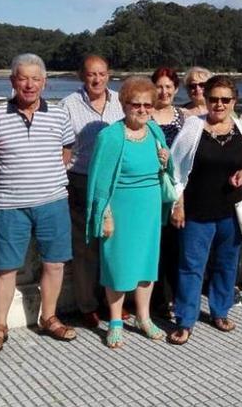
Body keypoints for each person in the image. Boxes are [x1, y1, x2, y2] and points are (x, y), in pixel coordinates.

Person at [0, 54, 76, 354]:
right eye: (23, 78)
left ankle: (49, 317)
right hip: (11, 204)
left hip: (53, 201)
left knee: (55, 263)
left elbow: (66, 150)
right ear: (12, 82)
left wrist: (45, 176)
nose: (29, 84)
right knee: (6, 268)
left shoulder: (59, 114)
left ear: (44, 82)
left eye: (36, 79)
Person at [167, 76, 242, 345]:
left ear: (234, 102)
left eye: (225, 99)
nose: (219, 104)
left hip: (232, 212)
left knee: (227, 265)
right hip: (197, 212)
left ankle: (220, 311)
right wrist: (178, 205)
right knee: (191, 267)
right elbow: (176, 170)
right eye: (214, 98)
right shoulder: (193, 128)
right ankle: (185, 320)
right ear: (206, 99)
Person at [86, 77, 173, 348]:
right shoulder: (110, 136)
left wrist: (165, 160)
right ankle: (114, 320)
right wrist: (105, 214)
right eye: (136, 104)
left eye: (148, 104)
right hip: (120, 210)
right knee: (117, 266)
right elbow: (99, 181)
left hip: (148, 208)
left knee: (147, 266)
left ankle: (143, 318)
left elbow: (165, 170)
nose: (143, 109)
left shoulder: (155, 132)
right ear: (124, 104)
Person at [60, 55, 124, 328]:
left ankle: (115, 303)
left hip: (116, 181)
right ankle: (88, 305)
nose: (96, 79)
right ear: (81, 76)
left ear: (108, 75)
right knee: (85, 247)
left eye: (101, 74)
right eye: (91, 74)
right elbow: (61, 149)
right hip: (82, 180)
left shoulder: (122, 101)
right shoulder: (68, 105)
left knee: (113, 244)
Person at [149, 67, 186, 315]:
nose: (164, 92)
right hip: (150, 187)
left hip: (177, 187)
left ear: (175, 89)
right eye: (159, 87)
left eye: (168, 87)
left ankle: (173, 296)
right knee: (154, 244)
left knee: (176, 245)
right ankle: (155, 299)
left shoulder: (182, 117)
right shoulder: (144, 114)